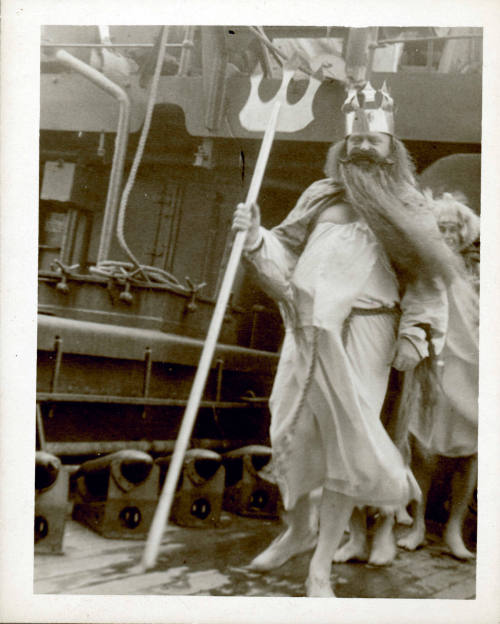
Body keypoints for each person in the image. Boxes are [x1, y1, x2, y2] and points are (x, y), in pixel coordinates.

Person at [232, 82, 455, 596]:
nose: (361, 147)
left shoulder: (410, 205)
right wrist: (254, 236)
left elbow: (427, 280)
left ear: (391, 147)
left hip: (367, 334)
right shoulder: (320, 193)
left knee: (345, 444)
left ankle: (321, 570)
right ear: (343, 145)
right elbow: (284, 253)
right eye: (354, 140)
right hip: (307, 332)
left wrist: (415, 337)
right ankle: (296, 533)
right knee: (290, 431)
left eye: (372, 141)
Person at [397, 191, 479, 559]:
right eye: (441, 227)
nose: (447, 234)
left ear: (464, 232)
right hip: (436, 362)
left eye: (453, 228)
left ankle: (453, 531)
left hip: (476, 368)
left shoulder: (481, 269)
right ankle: (416, 526)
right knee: (424, 447)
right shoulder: (424, 265)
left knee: (470, 451)